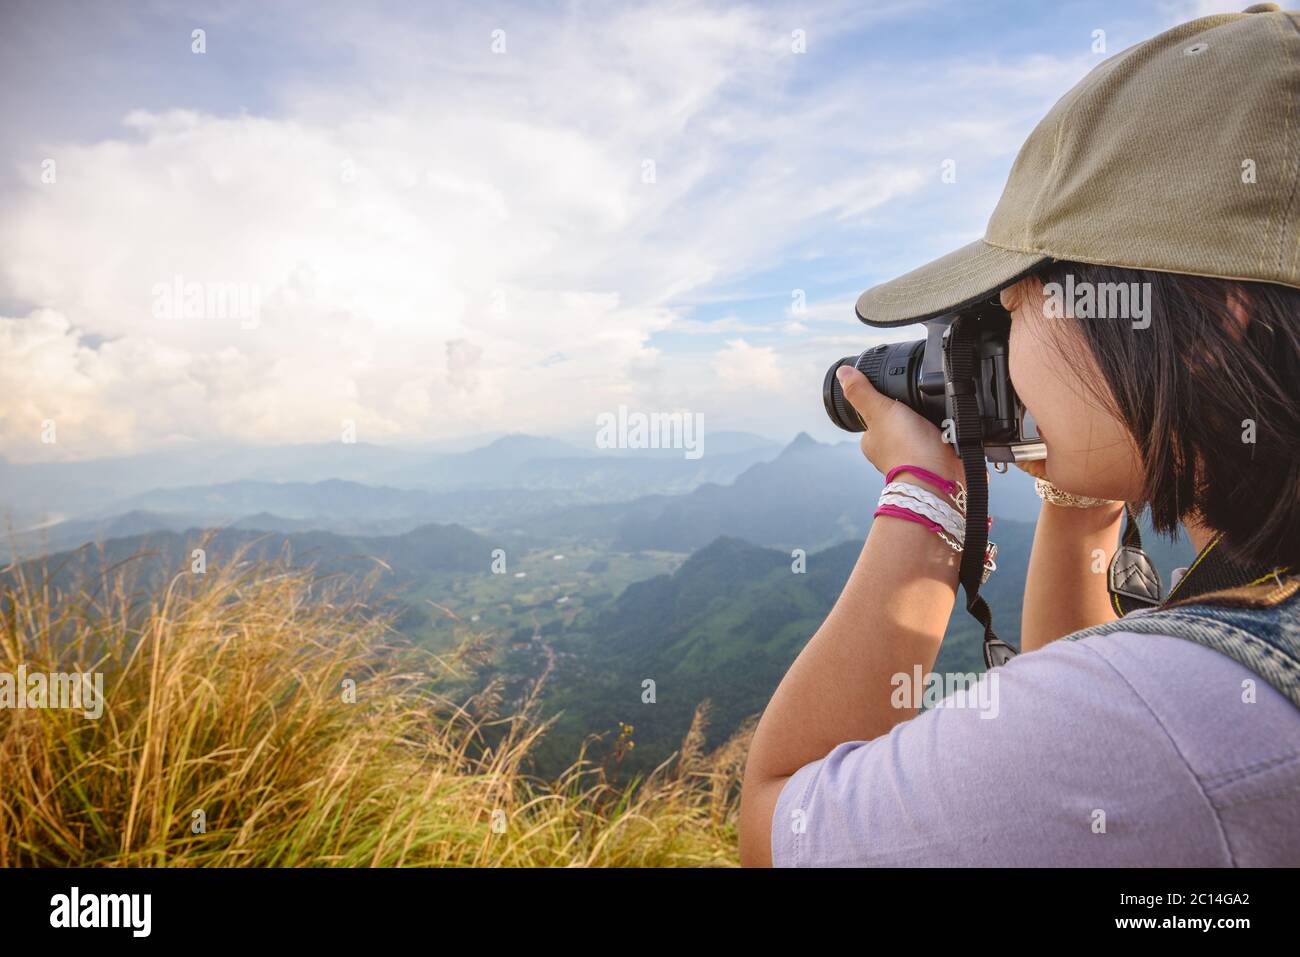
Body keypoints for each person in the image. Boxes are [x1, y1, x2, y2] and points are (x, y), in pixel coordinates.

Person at [739, 4, 1300, 867]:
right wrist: (1080, 508)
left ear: (1208, 324)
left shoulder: (1166, 724)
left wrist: (926, 501)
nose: (1002, 313)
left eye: (1028, 282)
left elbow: (781, 820)